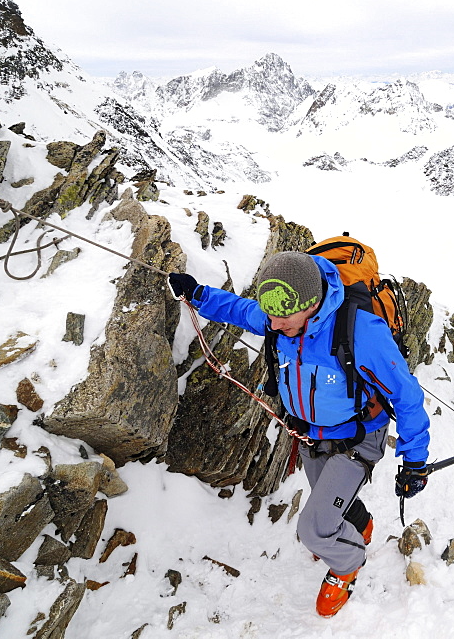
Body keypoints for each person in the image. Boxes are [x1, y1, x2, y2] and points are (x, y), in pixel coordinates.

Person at [168, 250, 431, 618]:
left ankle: (348, 562)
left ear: (312, 305)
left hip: (356, 439)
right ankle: (358, 523)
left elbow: (406, 396)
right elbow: (241, 311)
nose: (272, 326)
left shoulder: (361, 332)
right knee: (329, 500)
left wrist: (415, 460)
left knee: (313, 530)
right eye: (270, 316)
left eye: (282, 318)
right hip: (308, 434)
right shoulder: (281, 315)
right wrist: (198, 295)